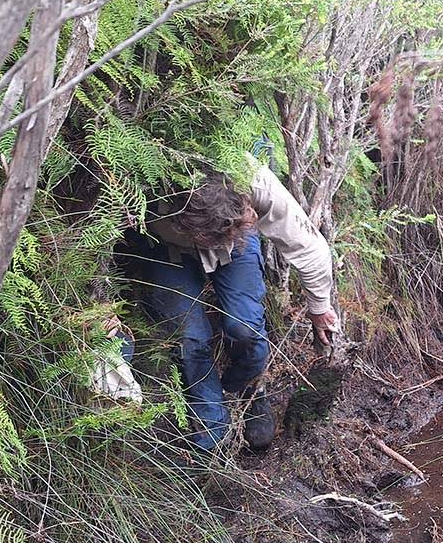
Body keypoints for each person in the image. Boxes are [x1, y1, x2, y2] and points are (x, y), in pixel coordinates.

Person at [123, 159, 339, 453]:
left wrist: (319, 308)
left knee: (245, 327)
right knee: (188, 339)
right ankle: (212, 430)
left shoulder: (253, 180)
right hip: (165, 245)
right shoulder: (147, 185)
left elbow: (309, 246)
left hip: (237, 238)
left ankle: (250, 390)